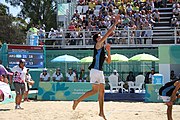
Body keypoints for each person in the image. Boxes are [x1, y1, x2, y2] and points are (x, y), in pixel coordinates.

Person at [72, 14, 121, 120]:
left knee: (101, 92)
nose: (101, 37)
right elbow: (108, 34)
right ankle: (78, 101)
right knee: (94, 91)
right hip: (94, 71)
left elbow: (108, 61)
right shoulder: (97, 45)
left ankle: (101, 112)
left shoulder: (102, 50)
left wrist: (109, 51)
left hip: (100, 72)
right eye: (99, 36)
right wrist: (115, 23)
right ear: (97, 39)